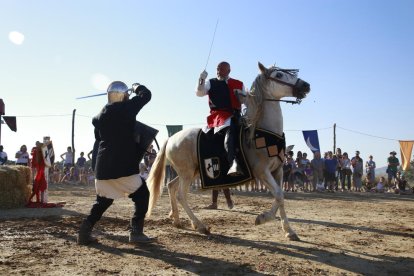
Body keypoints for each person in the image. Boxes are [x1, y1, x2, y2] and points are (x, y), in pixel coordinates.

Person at [77, 81, 155, 245]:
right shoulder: (126, 109)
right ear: (123, 95)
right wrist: (137, 87)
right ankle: (136, 232)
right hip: (123, 167)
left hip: (102, 169)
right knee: (142, 195)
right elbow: (146, 95)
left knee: (103, 201)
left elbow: (98, 139)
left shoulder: (99, 117)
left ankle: (84, 231)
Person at [196, 61, 246, 176]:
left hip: (237, 115)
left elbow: (246, 101)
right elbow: (199, 93)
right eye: (218, 68)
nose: (219, 71)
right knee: (229, 126)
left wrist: (243, 101)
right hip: (219, 115)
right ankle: (233, 162)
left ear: (229, 71)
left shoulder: (239, 84)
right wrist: (201, 80)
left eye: (222, 69)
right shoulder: (211, 82)